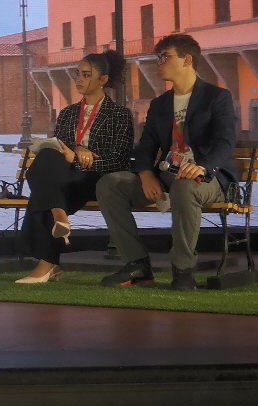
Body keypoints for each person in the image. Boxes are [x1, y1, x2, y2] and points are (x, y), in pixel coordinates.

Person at [95, 33, 239, 291]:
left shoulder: (217, 97)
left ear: (187, 60)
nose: (158, 62)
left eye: (164, 57)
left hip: (207, 178)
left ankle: (183, 271)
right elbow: (146, 146)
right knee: (111, 184)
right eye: (158, 57)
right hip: (166, 176)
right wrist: (145, 174)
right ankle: (137, 265)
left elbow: (225, 142)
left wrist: (203, 166)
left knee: (185, 185)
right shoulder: (160, 104)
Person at [14, 51, 135, 283]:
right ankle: (57, 214)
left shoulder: (119, 115)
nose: (78, 79)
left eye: (86, 75)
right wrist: (76, 150)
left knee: (44, 190)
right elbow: (60, 150)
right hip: (64, 178)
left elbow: (119, 160)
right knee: (47, 156)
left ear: (103, 79)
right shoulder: (67, 113)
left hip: (96, 179)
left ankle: (49, 257)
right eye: (77, 74)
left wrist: (79, 158)